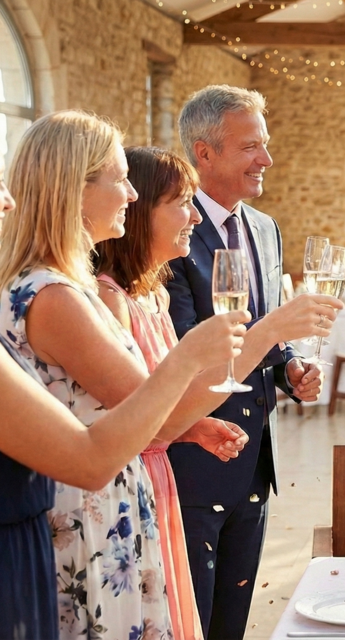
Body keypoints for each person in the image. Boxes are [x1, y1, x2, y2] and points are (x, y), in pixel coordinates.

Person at [0, 110, 266, 639]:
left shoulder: (64, 285)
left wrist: (191, 423)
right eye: (120, 179)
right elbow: (147, 408)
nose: (130, 194)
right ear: (74, 189)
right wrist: (191, 356)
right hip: (86, 516)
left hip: (108, 500)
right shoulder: (53, 296)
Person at [94, 146, 335, 639]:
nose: (194, 214)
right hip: (157, 482)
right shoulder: (107, 297)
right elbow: (153, 402)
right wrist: (267, 332)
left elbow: (155, 403)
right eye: (181, 202)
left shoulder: (155, 290)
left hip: (227, 453)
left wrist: (284, 364)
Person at [166, 85, 338, 639]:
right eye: (250, 148)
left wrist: (289, 369)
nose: (266, 159)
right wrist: (277, 330)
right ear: (205, 152)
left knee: (233, 623)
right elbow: (184, 354)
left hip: (255, 464)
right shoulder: (168, 234)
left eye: (265, 145)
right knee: (193, 619)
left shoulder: (265, 228)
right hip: (192, 459)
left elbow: (264, 333)